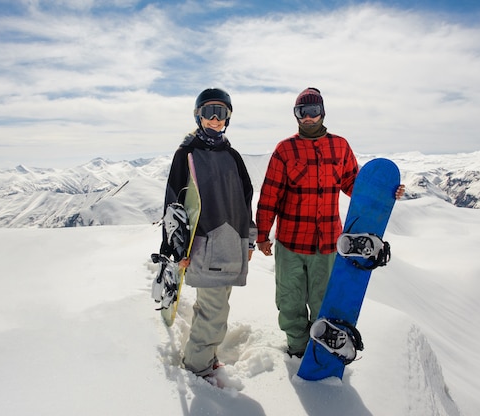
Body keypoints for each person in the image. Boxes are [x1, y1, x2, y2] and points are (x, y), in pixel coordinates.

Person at [255, 87, 405, 358]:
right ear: (296, 116)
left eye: (313, 111)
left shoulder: (340, 146)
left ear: (322, 112)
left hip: (326, 243)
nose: (309, 118)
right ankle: (298, 348)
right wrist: (262, 235)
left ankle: (320, 349)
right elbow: (270, 195)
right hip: (290, 242)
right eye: (303, 112)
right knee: (290, 302)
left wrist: (384, 193)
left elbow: (353, 185)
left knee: (323, 301)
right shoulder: (285, 150)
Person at [160, 87, 257, 378]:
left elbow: (245, 199)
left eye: (221, 113)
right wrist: (175, 249)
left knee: (215, 307)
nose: (215, 120)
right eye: (208, 113)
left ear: (228, 118)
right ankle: (197, 369)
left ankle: (206, 356)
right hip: (203, 246)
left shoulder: (233, 156)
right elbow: (174, 202)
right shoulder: (187, 153)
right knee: (214, 313)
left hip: (231, 244)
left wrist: (248, 241)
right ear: (198, 116)